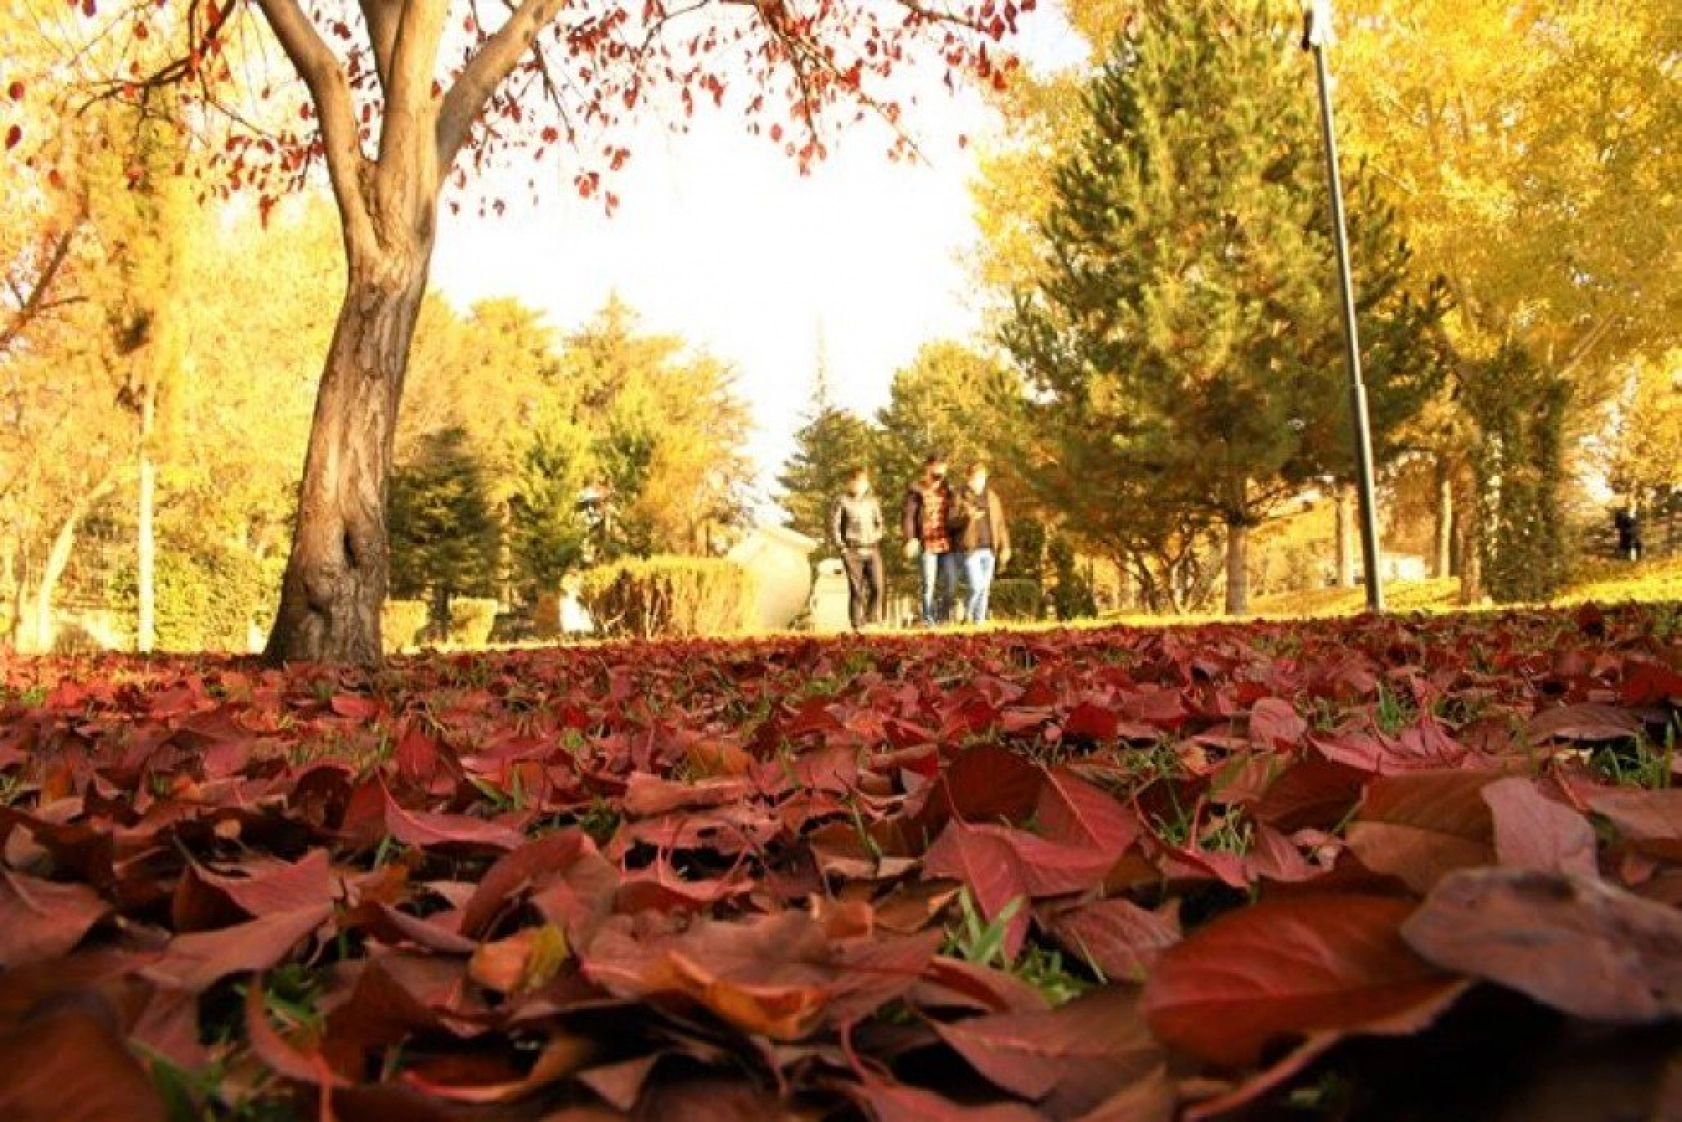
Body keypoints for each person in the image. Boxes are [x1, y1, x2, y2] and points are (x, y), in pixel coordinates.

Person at [901, 453, 960, 625]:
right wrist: (910, 538)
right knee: (929, 584)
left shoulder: (949, 490)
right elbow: (908, 516)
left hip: (946, 542)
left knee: (951, 582)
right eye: (936, 467)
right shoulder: (916, 490)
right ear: (928, 467)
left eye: (942, 467)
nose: (939, 471)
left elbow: (957, 513)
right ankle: (928, 619)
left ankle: (942, 616)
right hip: (927, 543)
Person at [949, 459, 1011, 624]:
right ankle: (967, 615)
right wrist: (967, 517)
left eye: (982, 478)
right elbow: (951, 522)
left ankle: (979, 623)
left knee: (985, 589)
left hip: (989, 549)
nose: (979, 482)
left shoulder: (992, 497)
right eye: (975, 478)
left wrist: (1006, 547)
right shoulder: (959, 496)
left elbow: (1000, 524)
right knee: (976, 586)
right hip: (970, 549)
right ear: (968, 478)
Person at [829, 465, 885, 630]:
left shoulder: (872, 502)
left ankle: (872, 619)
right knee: (857, 589)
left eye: (862, 481)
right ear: (850, 483)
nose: (859, 485)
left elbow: (880, 523)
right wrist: (842, 547)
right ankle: (857, 624)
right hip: (852, 550)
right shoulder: (842, 501)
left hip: (872, 549)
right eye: (856, 481)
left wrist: (877, 535)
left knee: (877, 586)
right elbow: (834, 526)